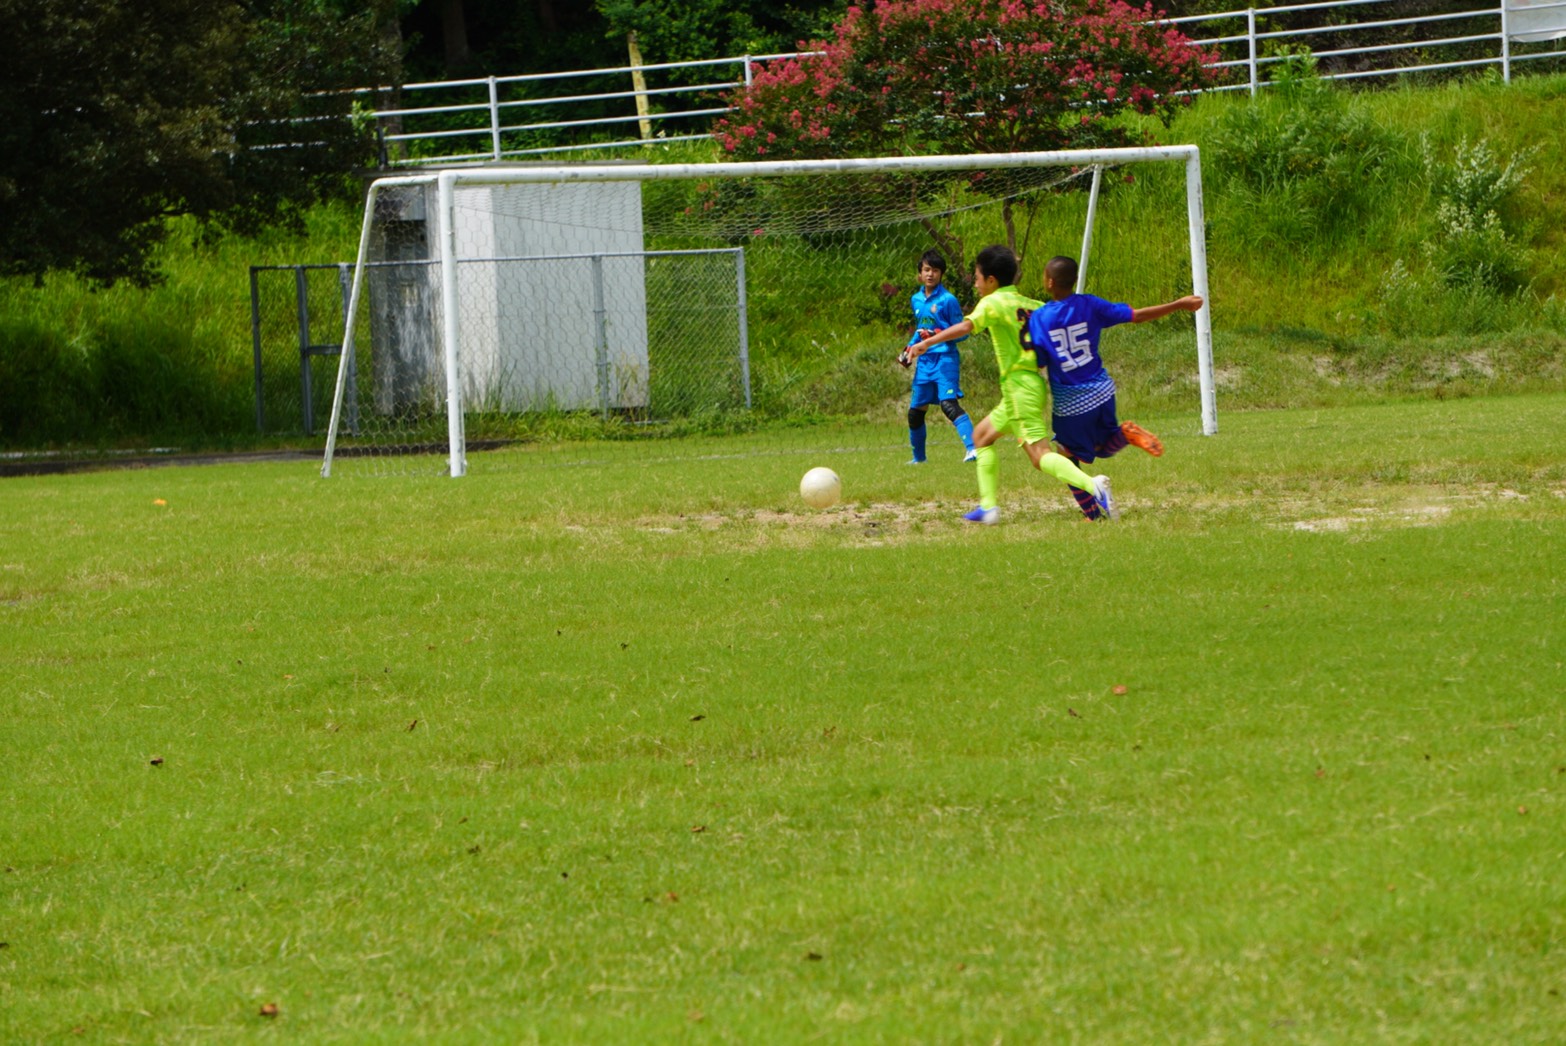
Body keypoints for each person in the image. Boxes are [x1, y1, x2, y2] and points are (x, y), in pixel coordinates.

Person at [909, 245, 1109, 525]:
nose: (975, 284)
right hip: (1028, 387)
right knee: (981, 437)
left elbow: (966, 327)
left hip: (1019, 389)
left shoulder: (992, 302)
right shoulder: (1033, 305)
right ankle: (988, 507)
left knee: (1040, 457)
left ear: (991, 280)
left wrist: (927, 343)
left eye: (977, 278)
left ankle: (1094, 486)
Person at [1023, 255, 1203, 520]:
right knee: (1104, 445)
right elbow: (1136, 316)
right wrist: (1179, 304)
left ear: (1049, 282)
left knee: (1065, 456)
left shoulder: (1040, 317)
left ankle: (1092, 514)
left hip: (1072, 403)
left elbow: (1039, 360)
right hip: (1103, 391)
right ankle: (1126, 434)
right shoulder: (1090, 304)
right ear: (1073, 280)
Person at [900, 249, 977, 464]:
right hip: (924, 363)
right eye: (926, 270)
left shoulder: (948, 300)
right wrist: (908, 349)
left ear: (941, 274)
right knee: (915, 412)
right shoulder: (916, 299)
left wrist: (936, 335)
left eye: (935, 270)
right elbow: (919, 331)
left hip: (945, 359)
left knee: (948, 405)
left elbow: (962, 332)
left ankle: (973, 449)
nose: (930, 274)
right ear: (920, 273)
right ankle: (919, 460)